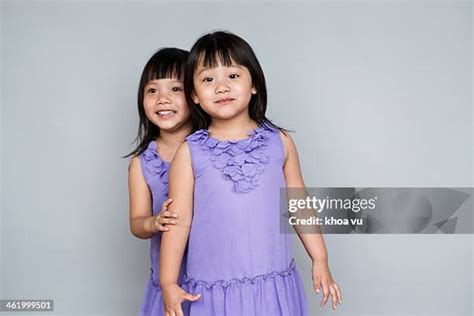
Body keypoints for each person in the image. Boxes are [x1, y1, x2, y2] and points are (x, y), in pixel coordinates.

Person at [160, 31, 342, 316]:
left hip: (272, 283)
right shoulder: (189, 153)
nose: (221, 87)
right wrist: (168, 281)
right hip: (213, 289)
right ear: (194, 95)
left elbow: (299, 204)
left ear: (254, 83)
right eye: (208, 79)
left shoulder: (279, 142)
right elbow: (178, 221)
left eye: (232, 76)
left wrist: (320, 257)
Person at [126, 47, 194, 316]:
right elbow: (136, 223)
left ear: (196, 95)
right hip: (170, 280)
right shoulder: (142, 162)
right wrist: (152, 222)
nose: (162, 99)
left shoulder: (212, 147)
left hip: (215, 274)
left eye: (175, 89)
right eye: (152, 90)